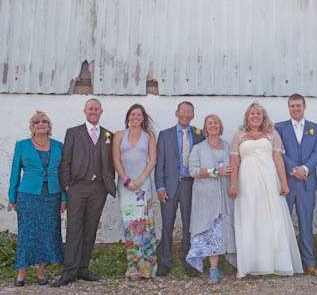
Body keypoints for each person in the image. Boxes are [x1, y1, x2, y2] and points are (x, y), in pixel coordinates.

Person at [230, 102, 303, 278]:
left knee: (270, 218)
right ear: (247, 116)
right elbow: (234, 161)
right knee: (250, 218)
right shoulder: (239, 135)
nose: (255, 116)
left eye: (258, 114)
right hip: (247, 183)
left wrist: (284, 183)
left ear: (263, 117)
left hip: (269, 181)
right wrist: (233, 184)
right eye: (252, 113)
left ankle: (274, 262)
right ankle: (252, 263)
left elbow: (278, 159)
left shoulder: (272, 134)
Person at [52, 99, 117, 287]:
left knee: (90, 229)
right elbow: (65, 161)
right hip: (77, 188)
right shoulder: (73, 132)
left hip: (99, 189)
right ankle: (69, 271)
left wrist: (108, 184)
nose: (93, 111)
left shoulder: (108, 135)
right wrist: (67, 186)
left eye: (97, 109)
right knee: (74, 230)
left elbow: (111, 161)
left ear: (101, 111)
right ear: (85, 111)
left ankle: (83, 269)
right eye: (91, 109)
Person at [8, 111, 66, 286]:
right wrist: (12, 196)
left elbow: (63, 174)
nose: (41, 124)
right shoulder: (22, 146)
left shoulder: (58, 146)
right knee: (27, 234)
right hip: (28, 196)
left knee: (47, 234)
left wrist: (64, 198)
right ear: (32, 127)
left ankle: (41, 271)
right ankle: (22, 272)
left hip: (52, 196)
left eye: (44, 121)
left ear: (49, 126)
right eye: (37, 122)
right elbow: (15, 172)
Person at [275, 94, 317, 276]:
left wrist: (305, 168)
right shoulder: (279, 127)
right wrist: (294, 169)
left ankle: (309, 263)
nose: (295, 108)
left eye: (298, 105)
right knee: (283, 224)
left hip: (307, 183)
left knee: (306, 224)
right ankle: (284, 262)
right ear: (288, 108)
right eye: (292, 106)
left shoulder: (315, 128)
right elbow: (279, 152)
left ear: (304, 106)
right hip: (286, 182)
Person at [155, 101, 205, 277]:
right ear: (176, 113)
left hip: (190, 185)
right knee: (167, 224)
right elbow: (159, 163)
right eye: (182, 111)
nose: (185, 114)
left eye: (189, 111)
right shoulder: (165, 135)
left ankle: (188, 260)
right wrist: (160, 186)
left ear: (193, 115)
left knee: (189, 225)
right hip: (169, 186)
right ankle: (165, 262)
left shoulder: (199, 135)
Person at [185, 114, 236, 284]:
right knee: (209, 231)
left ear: (220, 126)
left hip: (224, 195)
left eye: (216, 123)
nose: (213, 125)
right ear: (205, 128)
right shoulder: (198, 148)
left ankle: (219, 266)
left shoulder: (228, 146)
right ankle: (213, 269)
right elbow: (193, 171)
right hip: (205, 197)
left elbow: (235, 167)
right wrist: (215, 171)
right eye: (210, 123)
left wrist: (234, 185)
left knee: (221, 231)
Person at [112, 104, 158, 280]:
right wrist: (126, 180)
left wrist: (139, 180)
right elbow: (116, 159)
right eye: (133, 114)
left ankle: (147, 268)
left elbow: (152, 160)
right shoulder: (119, 135)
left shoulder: (149, 136)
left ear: (143, 118)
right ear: (128, 117)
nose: (136, 117)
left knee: (145, 225)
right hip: (125, 186)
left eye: (139, 115)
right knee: (130, 226)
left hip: (143, 186)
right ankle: (132, 267)